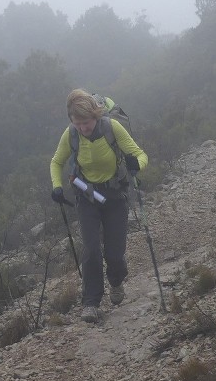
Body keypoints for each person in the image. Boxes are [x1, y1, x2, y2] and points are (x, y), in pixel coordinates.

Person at [50, 89, 148, 323]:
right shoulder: (71, 134)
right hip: (87, 196)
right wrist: (57, 186)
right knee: (92, 250)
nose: (83, 128)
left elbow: (140, 155)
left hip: (115, 196)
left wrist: (137, 164)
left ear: (96, 117)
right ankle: (91, 303)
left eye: (86, 123)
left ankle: (116, 281)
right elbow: (57, 162)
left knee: (115, 254)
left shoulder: (111, 128)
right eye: (78, 123)